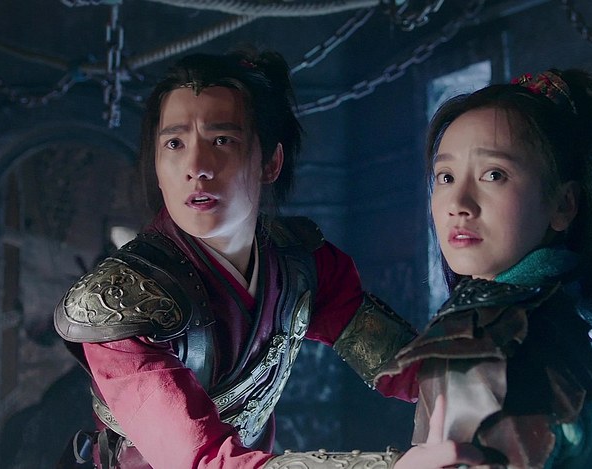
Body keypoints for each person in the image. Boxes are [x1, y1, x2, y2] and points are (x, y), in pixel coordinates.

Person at [54, 48, 480, 469]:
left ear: (271, 162)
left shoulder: (302, 263)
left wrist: (482, 380)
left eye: (222, 140)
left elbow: (406, 366)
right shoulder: (119, 306)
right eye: (175, 143)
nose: (196, 166)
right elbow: (203, 462)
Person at [378, 69, 592, 468]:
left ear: (563, 204)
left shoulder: (478, 334)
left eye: (494, 175)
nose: (459, 203)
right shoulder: (590, 319)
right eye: (445, 176)